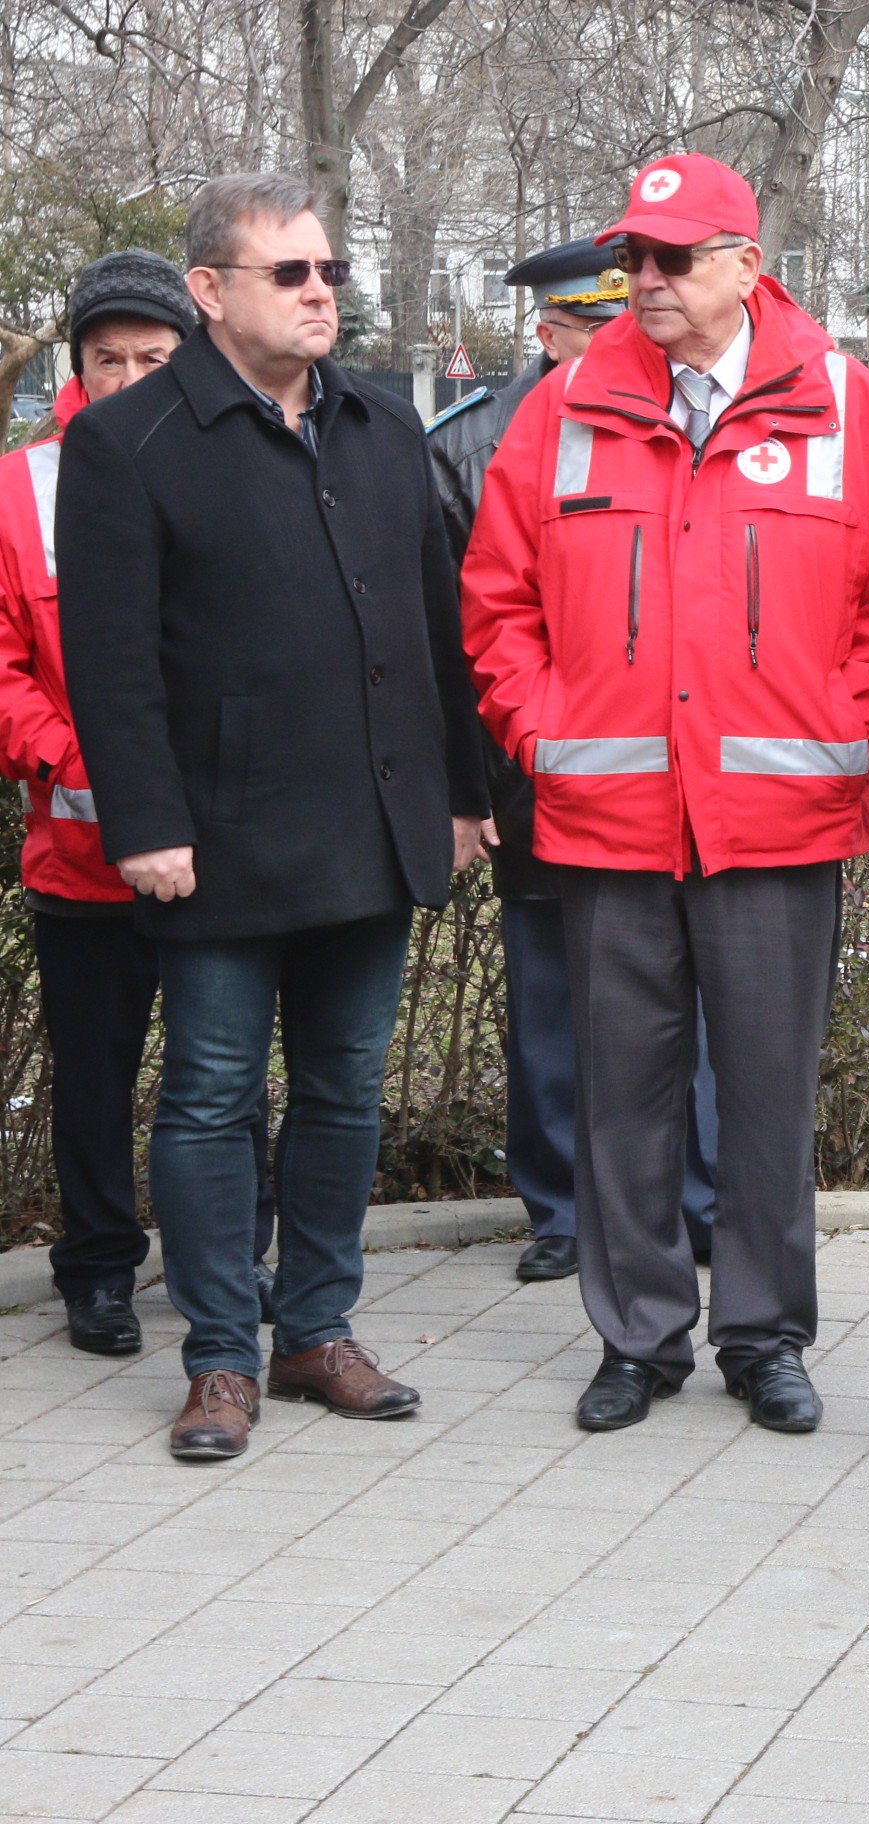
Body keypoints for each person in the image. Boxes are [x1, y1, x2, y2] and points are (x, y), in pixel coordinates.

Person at [463, 153, 869, 1436]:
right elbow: (496, 600)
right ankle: (639, 1339)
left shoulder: (846, 404)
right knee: (623, 1095)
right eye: (635, 259)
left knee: (770, 1096)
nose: (647, 281)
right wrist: (540, 730)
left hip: (778, 819)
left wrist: (844, 726)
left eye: (674, 259)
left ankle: (765, 1338)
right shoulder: (565, 405)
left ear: (746, 265)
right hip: (609, 818)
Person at [58, 175, 493, 1462]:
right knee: (209, 1096)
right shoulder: (129, 440)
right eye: (290, 273)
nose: (320, 294)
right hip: (217, 837)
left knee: (345, 1091)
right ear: (209, 291)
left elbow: (437, 626)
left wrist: (463, 792)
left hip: (372, 824)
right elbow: (110, 663)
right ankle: (219, 1358)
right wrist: (146, 822)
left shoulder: (380, 425)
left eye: (329, 272)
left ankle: (314, 1330)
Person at [0, 252, 283, 1358]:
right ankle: (99, 1270)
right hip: (82, 851)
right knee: (95, 1079)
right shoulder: (22, 488)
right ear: (77, 367)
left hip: (226, 849)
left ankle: (235, 1259)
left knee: (228, 1075)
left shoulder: (246, 463)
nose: (125, 379)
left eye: (151, 359)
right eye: (104, 359)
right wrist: (90, 762)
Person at [427, 238, 720, 1284]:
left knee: (690, 1002)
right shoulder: (472, 445)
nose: (629, 337)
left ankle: (700, 1203)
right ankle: (561, 1210)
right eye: (599, 324)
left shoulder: (690, 412)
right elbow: (454, 635)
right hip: (538, 776)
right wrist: (479, 780)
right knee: (553, 1007)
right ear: (549, 332)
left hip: (675, 782)